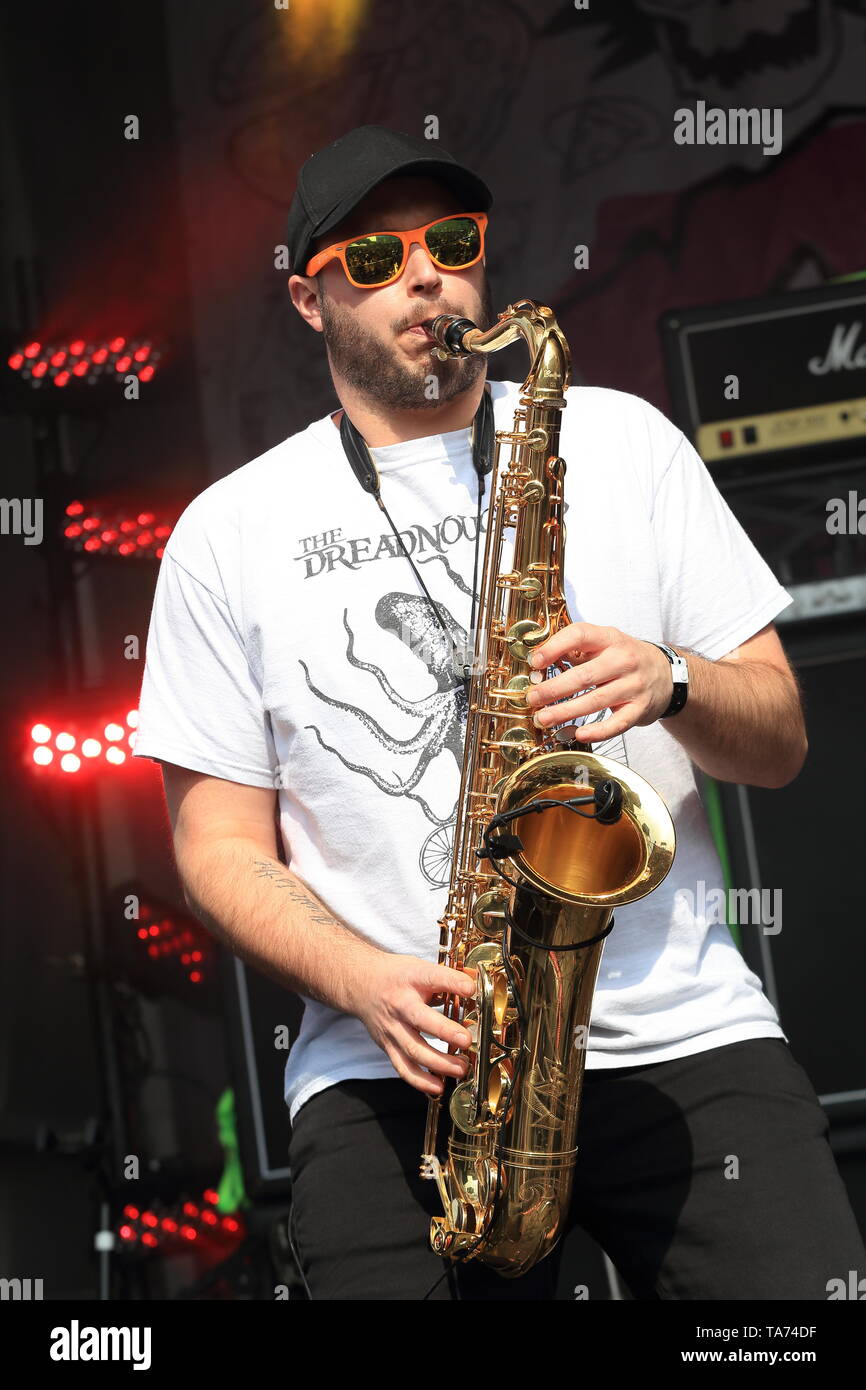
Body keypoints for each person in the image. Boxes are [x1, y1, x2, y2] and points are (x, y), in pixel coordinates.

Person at [133, 124, 865, 1301]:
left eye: (452, 243)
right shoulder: (228, 532)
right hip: (402, 1074)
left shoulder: (622, 441)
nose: (424, 276)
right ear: (306, 299)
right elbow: (214, 849)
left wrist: (670, 677)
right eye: (374, 258)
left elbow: (776, 737)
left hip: (678, 1033)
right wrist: (362, 979)